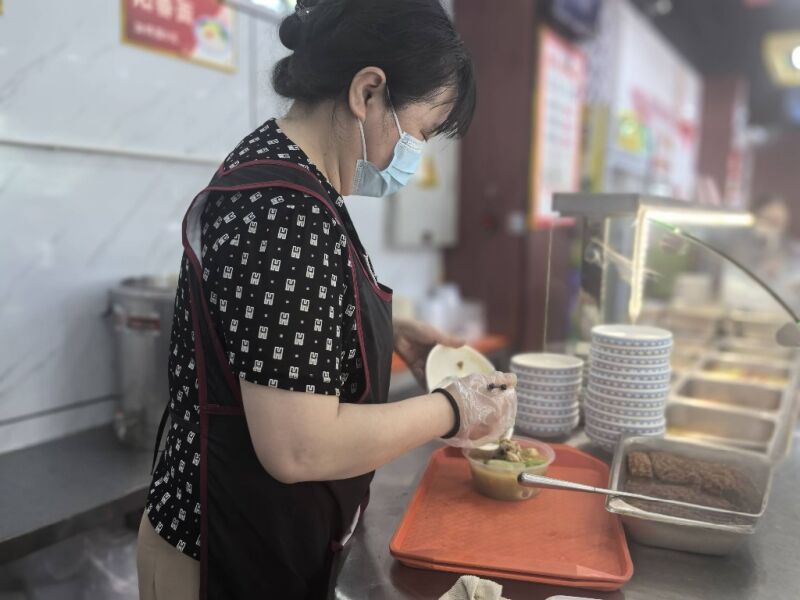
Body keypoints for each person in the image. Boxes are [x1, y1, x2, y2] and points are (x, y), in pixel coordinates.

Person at [136, 1, 517, 599]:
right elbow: (299, 446)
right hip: (218, 555)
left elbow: (284, 325)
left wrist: (392, 329)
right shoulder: (285, 211)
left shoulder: (291, 177)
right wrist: (454, 408)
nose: (412, 156)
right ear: (368, 92)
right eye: (419, 132)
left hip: (257, 539)